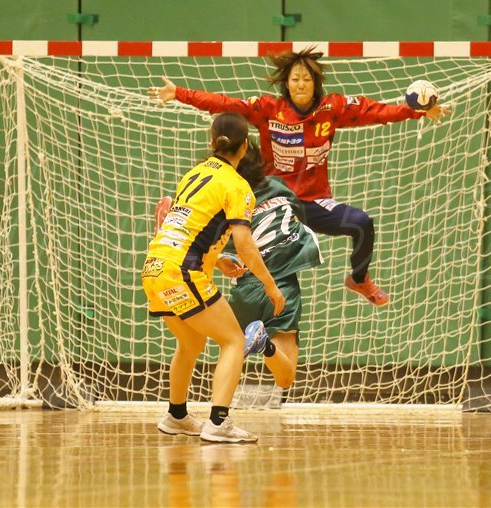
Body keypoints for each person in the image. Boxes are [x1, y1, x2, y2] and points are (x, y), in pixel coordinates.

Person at [148, 47, 451, 307]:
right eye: (295, 79)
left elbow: (376, 111)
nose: (301, 84)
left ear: (315, 83)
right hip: (274, 201)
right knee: (234, 227)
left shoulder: (333, 108)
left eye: (307, 79)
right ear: (286, 84)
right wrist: (180, 94)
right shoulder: (269, 109)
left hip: (313, 203)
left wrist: (417, 112)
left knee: (361, 223)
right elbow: (226, 105)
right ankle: (174, 222)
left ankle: (359, 280)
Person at [141, 112, 285, 443]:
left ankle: (176, 416)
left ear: (212, 141)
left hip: (155, 268)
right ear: (245, 145)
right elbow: (245, 244)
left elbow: (185, 226)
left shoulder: (193, 174)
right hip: (182, 272)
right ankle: (219, 422)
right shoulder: (237, 185)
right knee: (234, 340)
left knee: (191, 342)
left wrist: (217, 260)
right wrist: (270, 285)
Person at [216, 139, 323, 389]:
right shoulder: (278, 186)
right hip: (282, 289)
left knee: (229, 359)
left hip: (245, 287)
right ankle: (265, 345)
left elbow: (211, 243)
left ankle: (218, 411)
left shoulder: (226, 201)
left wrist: (220, 259)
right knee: (285, 379)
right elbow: (299, 220)